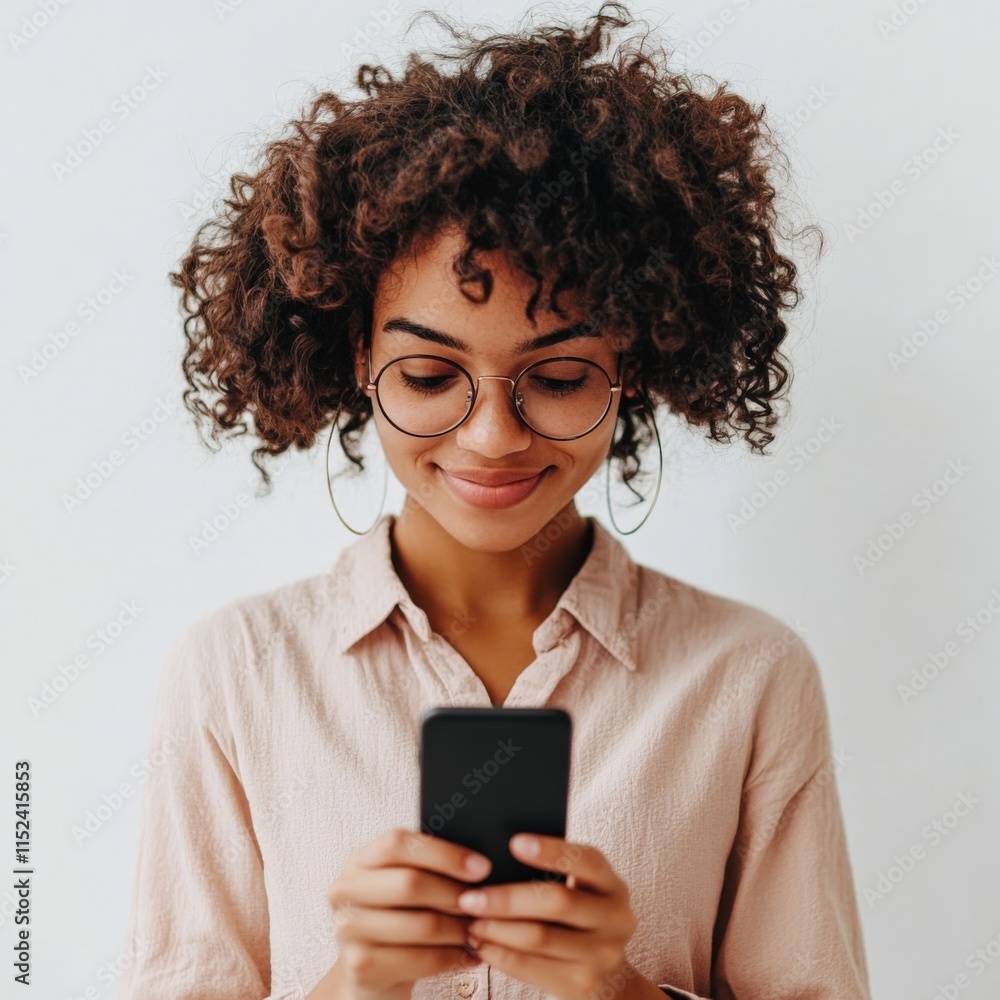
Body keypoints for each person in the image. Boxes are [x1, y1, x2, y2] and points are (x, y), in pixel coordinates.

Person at [118, 4, 871, 999]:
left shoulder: (747, 678)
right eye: (431, 376)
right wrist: (352, 985)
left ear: (630, 366)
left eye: (556, 377)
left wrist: (620, 988)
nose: (492, 436)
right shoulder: (233, 677)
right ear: (356, 356)